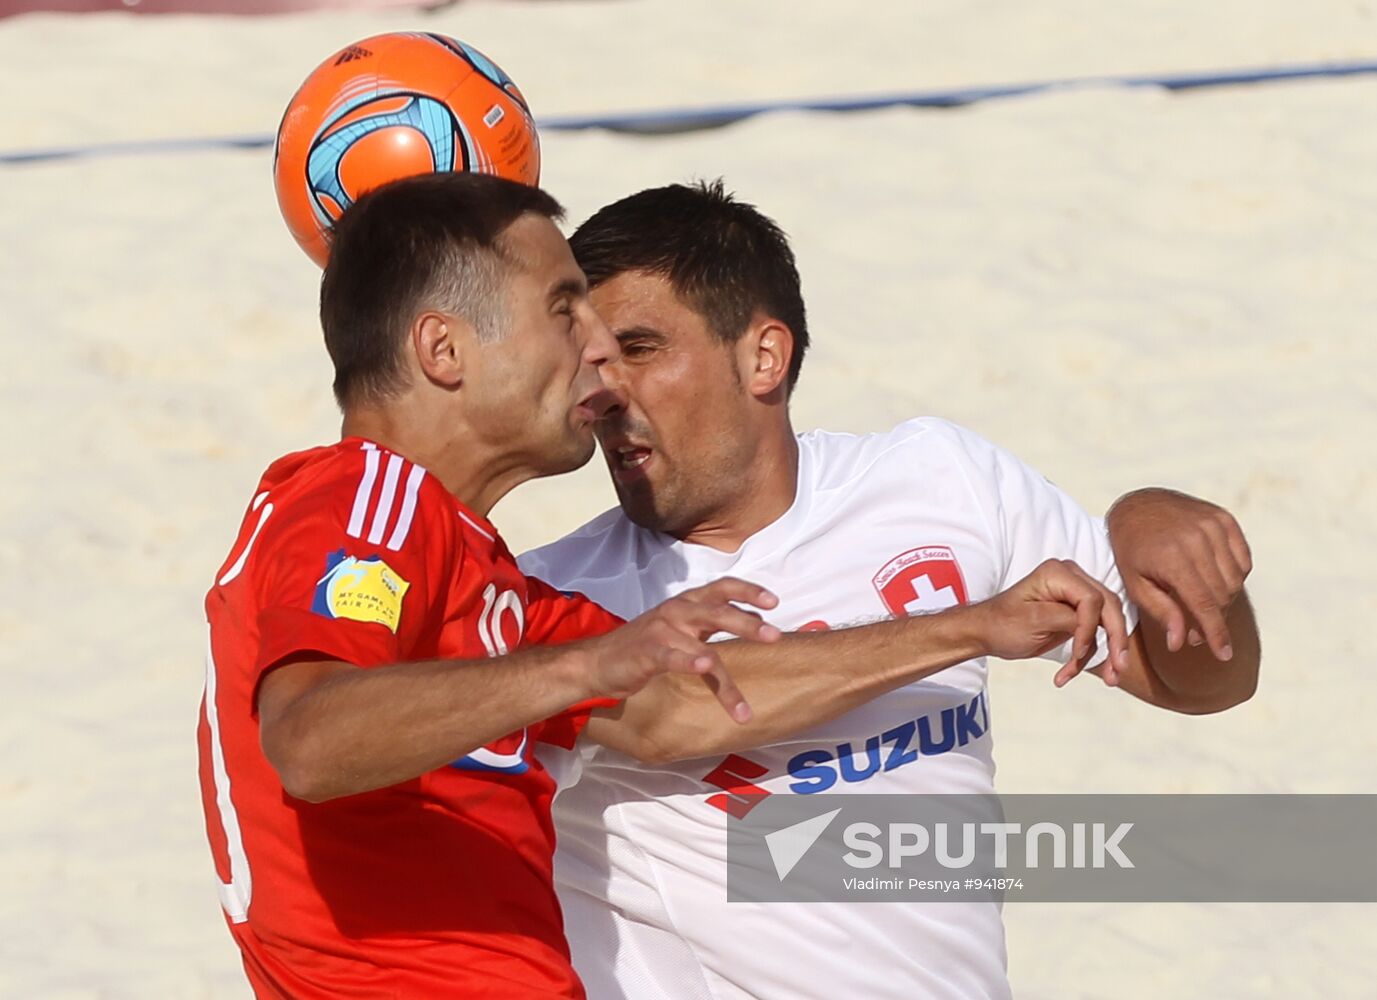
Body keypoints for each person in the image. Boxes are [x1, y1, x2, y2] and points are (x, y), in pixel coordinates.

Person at [196, 172, 1131, 999]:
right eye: (564, 309)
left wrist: (969, 628)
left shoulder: (486, 578)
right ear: (444, 353)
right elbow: (312, 739)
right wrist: (587, 665)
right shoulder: (367, 495)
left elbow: (680, 713)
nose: (595, 349)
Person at [518, 180, 1262, 1000]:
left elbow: (1207, 682)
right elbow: (671, 713)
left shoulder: (939, 479)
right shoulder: (552, 592)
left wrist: (1155, 526)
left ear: (764, 356)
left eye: (639, 348)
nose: (604, 391)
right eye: (589, 361)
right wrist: (969, 628)